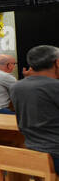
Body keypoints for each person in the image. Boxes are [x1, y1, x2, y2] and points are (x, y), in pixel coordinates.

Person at [11, 44, 59, 172]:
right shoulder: (54, 87)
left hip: (32, 149)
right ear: (57, 63)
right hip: (55, 152)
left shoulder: (16, 87)